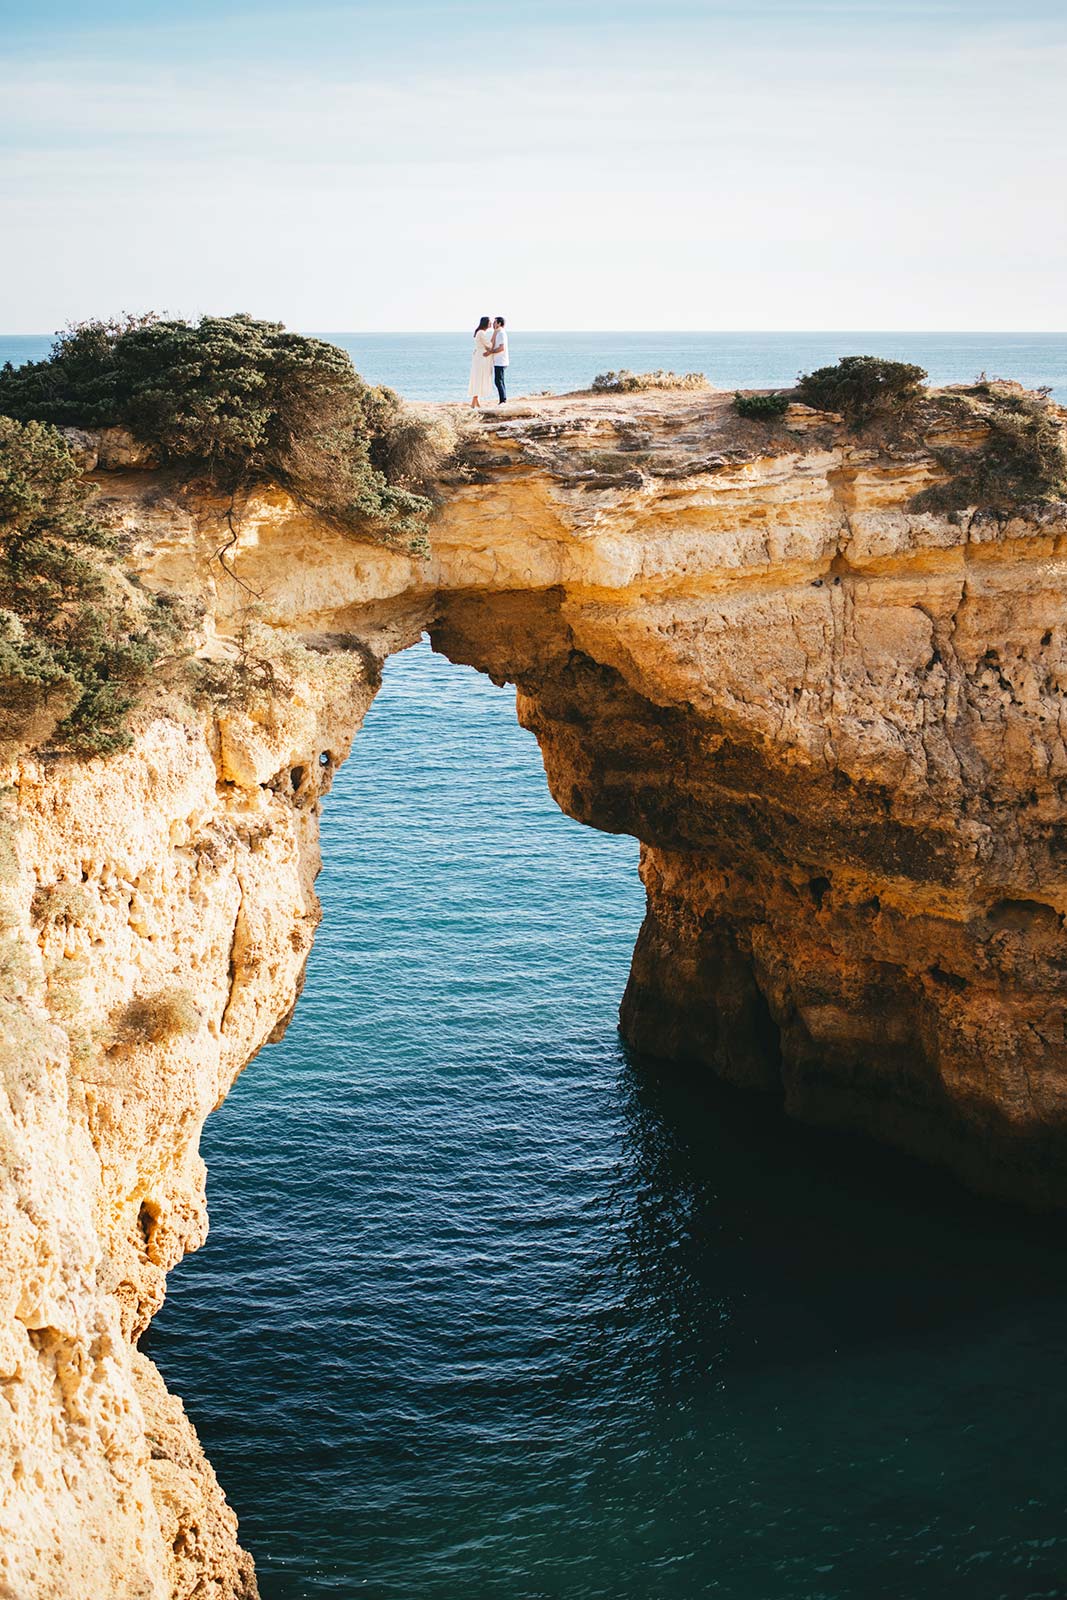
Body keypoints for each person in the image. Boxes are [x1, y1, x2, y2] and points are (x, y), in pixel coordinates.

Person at [467, 316, 495, 408]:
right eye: (489, 322)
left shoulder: (479, 332)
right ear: (486, 323)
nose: (491, 324)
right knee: (479, 378)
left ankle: (476, 402)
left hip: (479, 357)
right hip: (481, 358)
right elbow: (489, 345)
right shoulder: (481, 333)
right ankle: (473, 403)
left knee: (478, 378)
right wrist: (494, 337)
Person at [488, 316, 509, 404]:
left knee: (498, 381)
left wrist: (491, 351)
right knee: (500, 380)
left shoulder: (501, 333)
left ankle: (503, 400)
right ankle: (503, 399)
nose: (493, 324)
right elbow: (491, 343)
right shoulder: (498, 332)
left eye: (495, 322)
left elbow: (501, 348)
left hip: (500, 361)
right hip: (498, 361)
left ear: (499, 323)